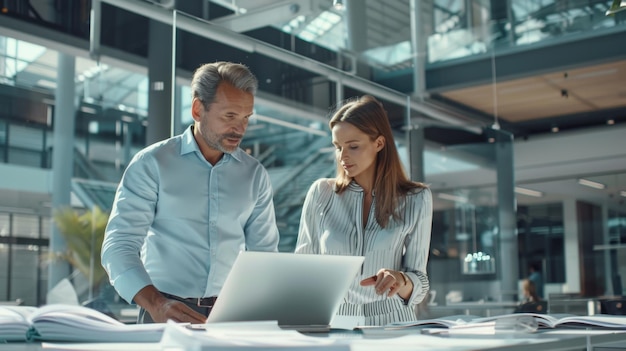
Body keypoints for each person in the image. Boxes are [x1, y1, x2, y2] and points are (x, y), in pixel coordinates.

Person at [101, 61, 280, 324]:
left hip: (230, 316)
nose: (240, 129)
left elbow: (264, 256)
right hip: (163, 311)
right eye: (229, 116)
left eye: (245, 118)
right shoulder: (152, 163)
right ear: (198, 109)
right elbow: (119, 246)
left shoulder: (254, 174)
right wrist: (157, 304)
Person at [295, 95, 433, 326]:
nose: (343, 156)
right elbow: (301, 271)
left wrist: (400, 280)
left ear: (379, 143)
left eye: (353, 146)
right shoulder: (321, 193)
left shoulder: (416, 198)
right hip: (334, 321)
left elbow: (419, 282)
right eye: (337, 147)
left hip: (393, 322)